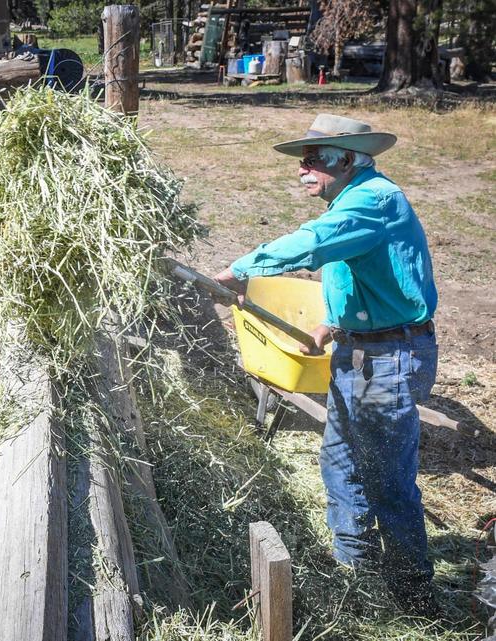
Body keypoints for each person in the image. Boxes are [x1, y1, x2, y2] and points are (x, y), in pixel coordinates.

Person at [215, 114, 440, 616]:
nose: (304, 169)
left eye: (316, 159)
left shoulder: (371, 201)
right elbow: (357, 274)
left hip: (390, 355)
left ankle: (413, 596)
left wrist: (238, 271)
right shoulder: (350, 204)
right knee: (340, 461)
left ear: (350, 159)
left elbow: (313, 243)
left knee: (384, 476)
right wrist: (333, 324)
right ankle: (354, 574)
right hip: (359, 348)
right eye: (303, 159)